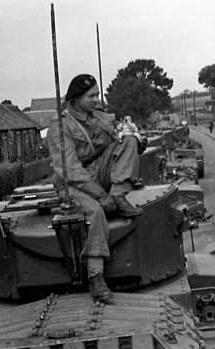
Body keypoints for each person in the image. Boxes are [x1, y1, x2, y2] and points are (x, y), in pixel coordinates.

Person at [48, 74, 144, 304]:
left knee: (129, 141)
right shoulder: (60, 127)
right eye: (91, 95)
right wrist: (100, 194)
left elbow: (117, 142)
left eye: (97, 94)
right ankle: (96, 276)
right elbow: (69, 169)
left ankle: (119, 194)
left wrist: (135, 138)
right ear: (75, 98)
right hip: (73, 183)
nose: (96, 99)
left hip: (99, 172)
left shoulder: (99, 117)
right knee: (95, 212)